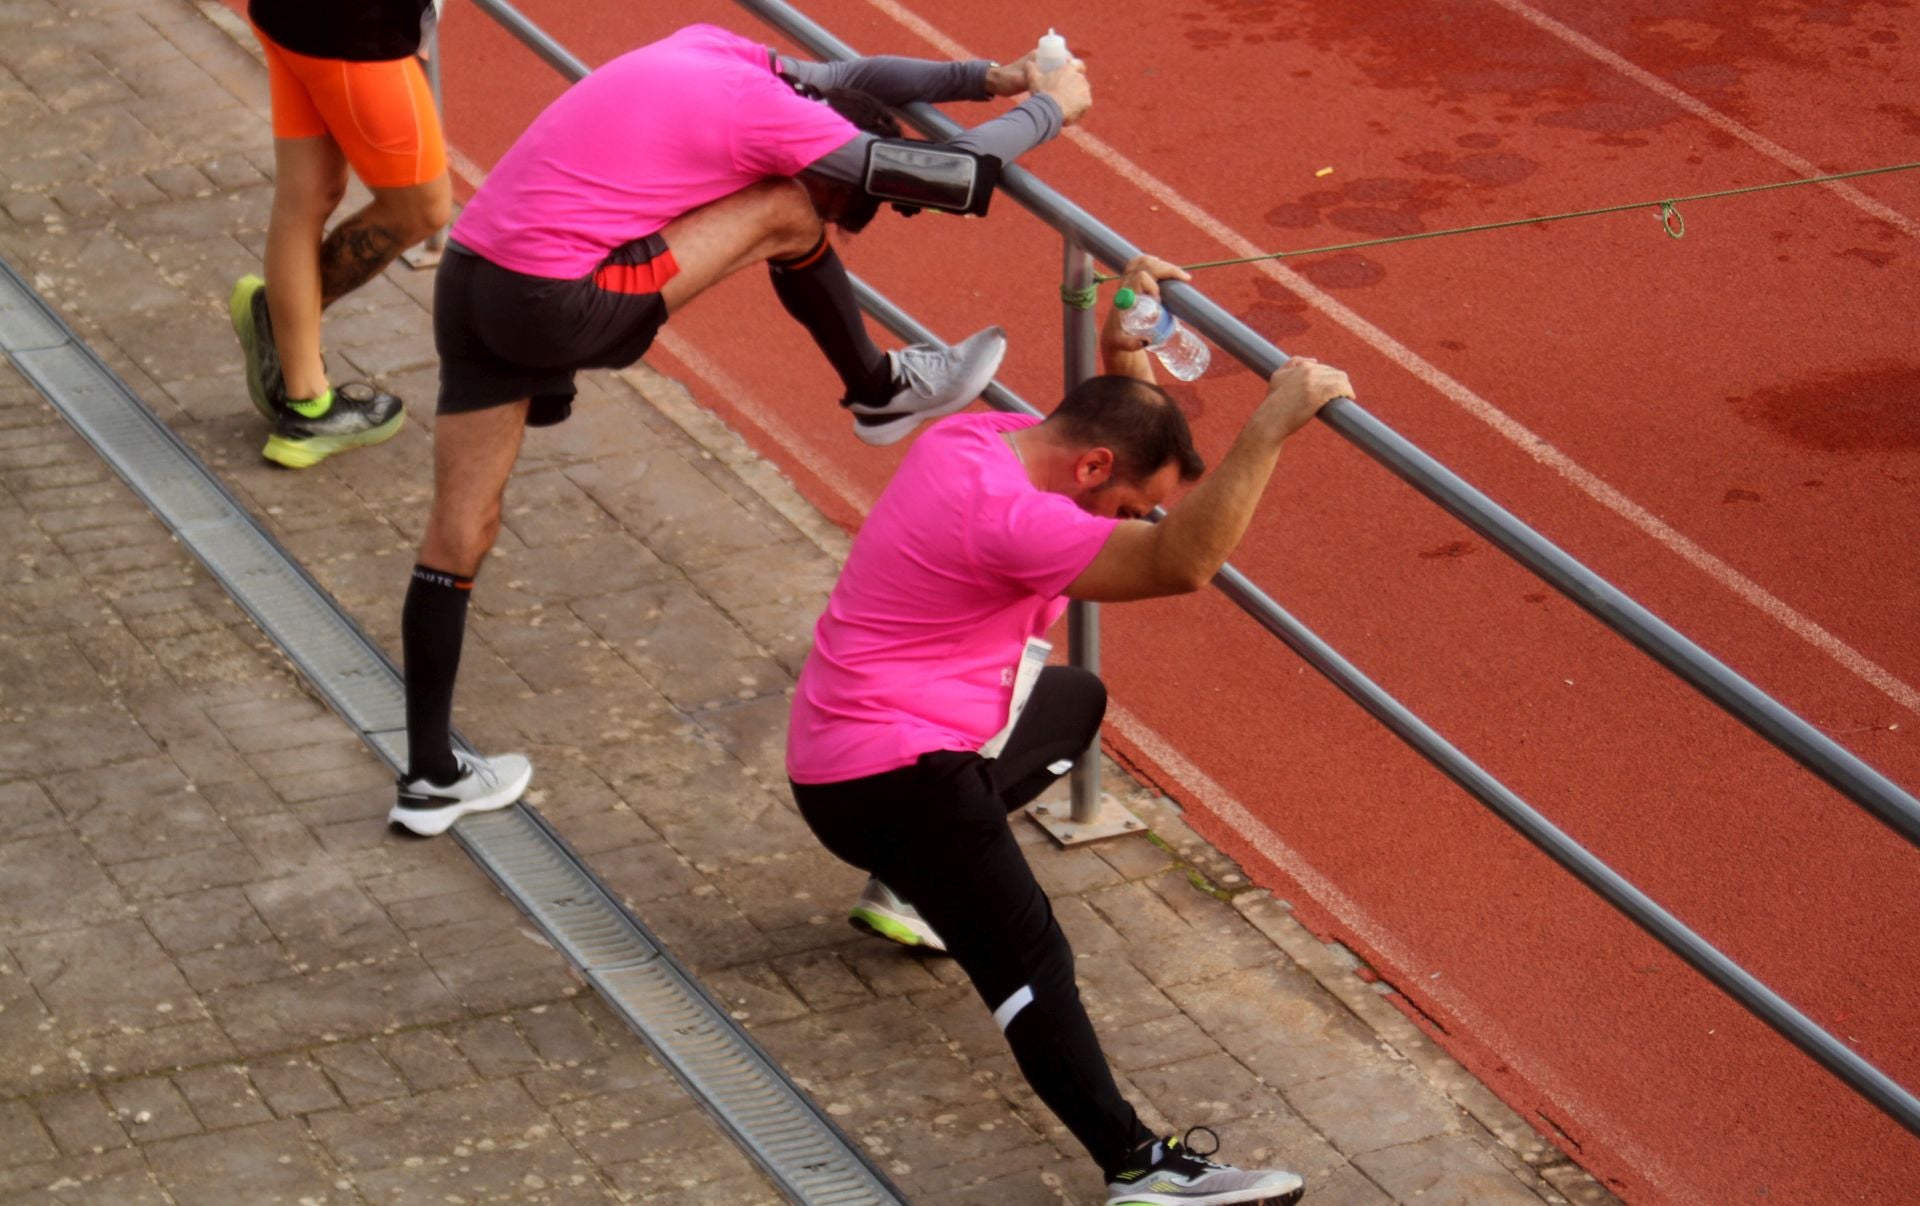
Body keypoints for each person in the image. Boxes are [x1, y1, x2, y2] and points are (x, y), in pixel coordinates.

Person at [388, 24, 1093, 834]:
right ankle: (877, 387)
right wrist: (1049, 108)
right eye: (842, 198)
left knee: (457, 532)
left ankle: (431, 774)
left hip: (476, 277)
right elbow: (948, 174)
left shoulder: (716, 49)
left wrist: (984, 74)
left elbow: (857, 69)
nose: (836, 210)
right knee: (788, 215)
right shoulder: (783, 128)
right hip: (555, 301)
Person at [784, 256, 1352, 1205]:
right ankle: (1140, 1168)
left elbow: (1111, 441)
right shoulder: (1011, 521)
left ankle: (915, 882)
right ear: (1091, 473)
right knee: (1031, 960)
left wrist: (1122, 351)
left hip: (841, 753)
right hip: (894, 778)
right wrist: (1271, 425)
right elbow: (1183, 562)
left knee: (1071, 700)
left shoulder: (984, 440)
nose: (1133, 522)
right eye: (1129, 507)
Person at [229, 0, 452, 468]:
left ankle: (306, 404)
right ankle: (283, 330)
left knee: (306, 197)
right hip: (359, 32)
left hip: (289, 17)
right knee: (423, 209)